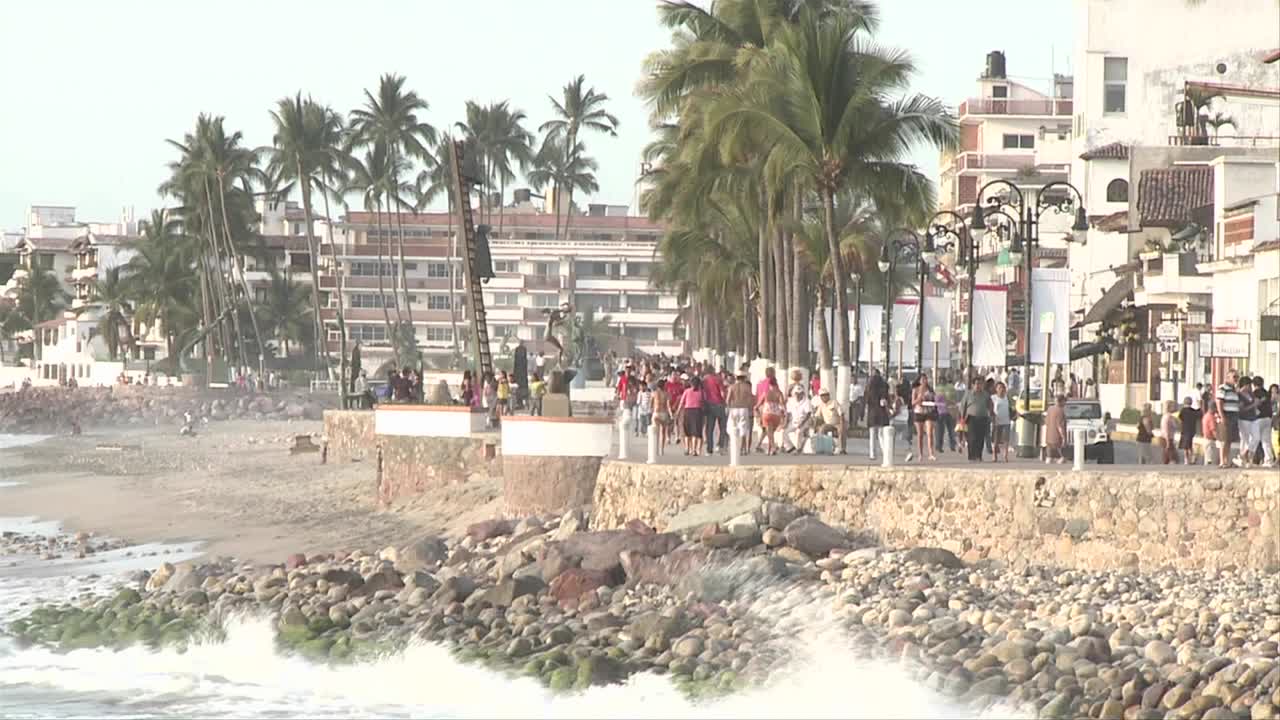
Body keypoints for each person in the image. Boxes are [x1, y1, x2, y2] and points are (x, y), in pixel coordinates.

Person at [960, 377, 992, 463]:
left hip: (983, 418)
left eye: (981, 384)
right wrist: (962, 418)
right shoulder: (968, 394)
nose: (979, 386)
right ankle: (971, 456)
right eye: (977, 384)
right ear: (973, 385)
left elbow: (990, 405)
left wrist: (991, 415)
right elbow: (963, 406)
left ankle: (978, 456)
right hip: (971, 418)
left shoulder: (985, 394)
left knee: (980, 438)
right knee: (972, 438)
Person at [1215, 371, 1241, 469]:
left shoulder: (1234, 390)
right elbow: (1219, 402)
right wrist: (1222, 416)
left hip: (1234, 415)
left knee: (1229, 439)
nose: (1236, 379)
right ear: (1228, 377)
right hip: (1226, 415)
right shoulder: (1223, 388)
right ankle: (1222, 461)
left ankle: (1226, 460)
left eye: (1237, 377)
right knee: (1224, 439)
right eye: (1234, 377)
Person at [1249, 376, 1275, 467]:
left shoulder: (1254, 393)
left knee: (1254, 439)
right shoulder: (1267, 393)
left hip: (1258, 418)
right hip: (1268, 418)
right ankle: (1269, 460)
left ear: (1254, 384)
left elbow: (1254, 405)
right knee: (1266, 440)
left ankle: (1249, 459)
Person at [866, 368, 891, 462]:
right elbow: (887, 398)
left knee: (872, 434)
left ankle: (872, 454)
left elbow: (866, 400)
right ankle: (885, 452)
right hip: (881, 413)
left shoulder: (869, 387)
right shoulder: (883, 386)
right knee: (881, 434)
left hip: (872, 413)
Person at [725, 373, 754, 455]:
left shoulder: (732, 387)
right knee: (743, 429)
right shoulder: (747, 387)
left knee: (733, 428)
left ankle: (735, 447)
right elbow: (750, 399)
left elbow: (727, 400)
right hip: (744, 409)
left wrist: (729, 407)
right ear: (744, 378)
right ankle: (743, 448)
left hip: (734, 409)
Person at [755, 376, 785, 456]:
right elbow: (782, 404)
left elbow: (757, 405)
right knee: (771, 433)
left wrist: (757, 413)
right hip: (776, 414)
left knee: (769, 433)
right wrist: (783, 415)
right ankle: (770, 449)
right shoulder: (779, 393)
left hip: (767, 413)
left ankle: (773, 447)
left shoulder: (766, 392)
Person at [911, 374, 938, 462]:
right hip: (919, 412)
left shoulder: (930, 390)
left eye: (925, 379)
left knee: (930, 432)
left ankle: (931, 453)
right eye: (922, 380)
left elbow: (934, 399)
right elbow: (913, 403)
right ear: (919, 381)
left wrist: (934, 400)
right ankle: (920, 454)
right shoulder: (916, 390)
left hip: (929, 412)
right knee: (920, 435)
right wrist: (919, 398)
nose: (924, 381)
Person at [701, 366, 727, 455]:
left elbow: (702, 392)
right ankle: (720, 446)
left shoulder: (704, 380)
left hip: (709, 405)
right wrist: (725, 402)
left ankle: (709, 449)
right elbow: (722, 393)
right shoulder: (718, 379)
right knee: (722, 427)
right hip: (719, 404)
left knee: (709, 428)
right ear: (713, 371)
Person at [677, 376, 705, 456]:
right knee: (695, 432)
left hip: (688, 411)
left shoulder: (687, 391)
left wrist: (678, 412)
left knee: (687, 432)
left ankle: (687, 449)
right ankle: (694, 450)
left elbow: (681, 403)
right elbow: (702, 403)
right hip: (697, 411)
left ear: (691, 383)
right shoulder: (701, 392)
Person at [813, 387, 846, 454]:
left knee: (841, 431)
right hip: (828, 424)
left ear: (828, 395)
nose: (823, 397)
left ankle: (842, 449)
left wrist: (842, 425)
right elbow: (817, 417)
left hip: (837, 423)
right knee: (822, 429)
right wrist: (814, 427)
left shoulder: (834, 402)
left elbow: (841, 414)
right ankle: (824, 448)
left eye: (825, 395)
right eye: (822, 396)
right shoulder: (821, 405)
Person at [783, 384, 812, 454]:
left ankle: (798, 449)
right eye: (796, 393)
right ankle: (790, 448)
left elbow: (808, 414)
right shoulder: (790, 401)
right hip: (793, 422)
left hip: (804, 421)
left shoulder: (807, 401)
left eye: (799, 393)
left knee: (798, 432)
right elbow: (788, 413)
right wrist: (785, 423)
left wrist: (802, 424)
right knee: (784, 432)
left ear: (802, 393)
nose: (798, 395)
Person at [992, 382, 1013, 463]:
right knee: (996, 439)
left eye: (1002, 388)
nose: (1001, 389)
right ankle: (994, 455)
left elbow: (1011, 407)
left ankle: (1005, 455)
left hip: (1006, 421)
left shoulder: (1007, 398)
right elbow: (991, 409)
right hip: (997, 421)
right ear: (996, 389)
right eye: (999, 388)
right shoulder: (993, 398)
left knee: (1006, 439)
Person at [1044, 395, 1067, 464]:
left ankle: (1049, 459)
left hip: (1049, 434)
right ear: (1062, 401)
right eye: (1064, 402)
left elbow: (1046, 422)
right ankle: (1061, 459)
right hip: (1057, 436)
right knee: (1060, 451)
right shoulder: (1060, 411)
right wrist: (1064, 437)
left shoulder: (1050, 409)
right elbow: (1060, 426)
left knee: (1049, 451)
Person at [1177, 396, 1200, 466]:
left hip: (1184, 430)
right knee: (1189, 445)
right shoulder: (1193, 411)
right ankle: (1192, 457)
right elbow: (1199, 415)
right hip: (1192, 430)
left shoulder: (1182, 411)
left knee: (1185, 446)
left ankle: (1187, 459)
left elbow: (1180, 418)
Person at [652, 380, 672, 454]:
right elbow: (668, 405)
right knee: (663, 432)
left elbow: (651, 404)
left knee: (655, 432)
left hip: (656, 412)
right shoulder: (666, 394)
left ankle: (655, 448)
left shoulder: (654, 393)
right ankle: (661, 449)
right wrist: (671, 415)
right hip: (664, 413)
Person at [1160, 399, 1179, 464]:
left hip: (1164, 437)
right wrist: (1168, 441)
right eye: (1173, 406)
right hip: (1168, 438)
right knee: (1173, 457)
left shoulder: (1164, 416)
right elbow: (1167, 429)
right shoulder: (1169, 417)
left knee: (1166, 457)